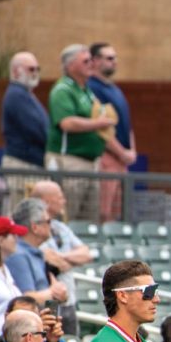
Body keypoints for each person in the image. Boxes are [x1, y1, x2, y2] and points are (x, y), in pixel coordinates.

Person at [46, 43, 116, 222]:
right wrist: (97, 123)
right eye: (85, 61)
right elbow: (66, 123)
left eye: (91, 60)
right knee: (67, 216)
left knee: (88, 220)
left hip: (91, 163)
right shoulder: (63, 89)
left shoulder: (85, 90)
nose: (91, 64)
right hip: (70, 162)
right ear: (70, 66)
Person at [85, 42, 138, 222]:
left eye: (115, 58)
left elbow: (126, 124)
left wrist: (131, 151)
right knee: (103, 212)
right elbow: (101, 128)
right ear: (95, 61)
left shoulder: (115, 90)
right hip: (107, 158)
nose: (114, 62)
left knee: (117, 212)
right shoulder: (92, 88)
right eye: (109, 58)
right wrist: (121, 152)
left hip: (122, 160)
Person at [32, 181, 94, 322]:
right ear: (45, 201)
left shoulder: (60, 227)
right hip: (48, 303)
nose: (64, 201)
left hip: (69, 301)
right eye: (60, 198)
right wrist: (71, 260)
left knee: (70, 341)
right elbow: (49, 260)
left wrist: (61, 257)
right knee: (51, 341)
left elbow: (86, 254)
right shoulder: (33, 229)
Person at [8, 198, 70, 306]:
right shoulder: (18, 256)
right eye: (48, 221)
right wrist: (54, 292)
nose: (51, 226)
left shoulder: (36, 253)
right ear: (35, 227)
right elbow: (25, 298)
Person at [0, 52, 48, 179]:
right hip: (23, 164)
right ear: (16, 72)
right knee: (24, 199)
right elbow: (36, 129)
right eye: (31, 69)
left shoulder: (26, 94)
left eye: (38, 69)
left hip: (31, 164)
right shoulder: (17, 95)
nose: (35, 73)